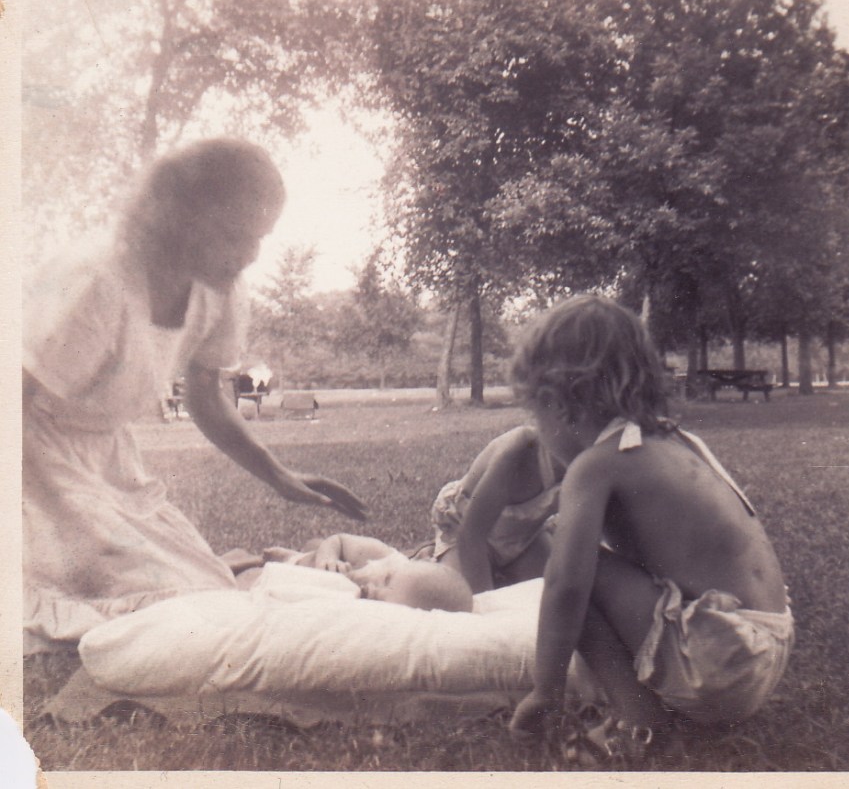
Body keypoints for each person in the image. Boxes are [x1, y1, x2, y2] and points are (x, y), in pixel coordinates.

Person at [22, 137, 367, 654]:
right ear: (178, 220)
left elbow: (206, 397)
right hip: (30, 460)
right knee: (147, 607)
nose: (249, 255)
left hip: (109, 462)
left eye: (260, 238)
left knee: (206, 589)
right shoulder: (95, 280)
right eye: (234, 235)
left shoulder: (219, 287)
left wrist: (281, 476)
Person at [507, 295, 794, 762]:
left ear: (555, 404)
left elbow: (564, 587)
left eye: (534, 418)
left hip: (724, 668)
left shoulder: (595, 466)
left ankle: (641, 726)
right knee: (594, 574)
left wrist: (546, 691)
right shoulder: (675, 441)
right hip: (767, 647)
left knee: (580, 575)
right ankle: (661, 707)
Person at [429, 425, 566, 593]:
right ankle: (430, 556)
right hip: (464, 528)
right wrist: (488, 606)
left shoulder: (592, 461)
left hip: (524, 537)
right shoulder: (521, 448)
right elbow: (471, 535)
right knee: (456, 600)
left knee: (547, 593)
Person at [266, 534, 474, 612]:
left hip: (304, 584)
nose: (374, 589)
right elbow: (339, 540)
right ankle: (289, 555)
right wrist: (328, 557)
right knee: (313, 546)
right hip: (308, 563)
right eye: (386, 580)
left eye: (384, 595)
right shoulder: (385, 560)